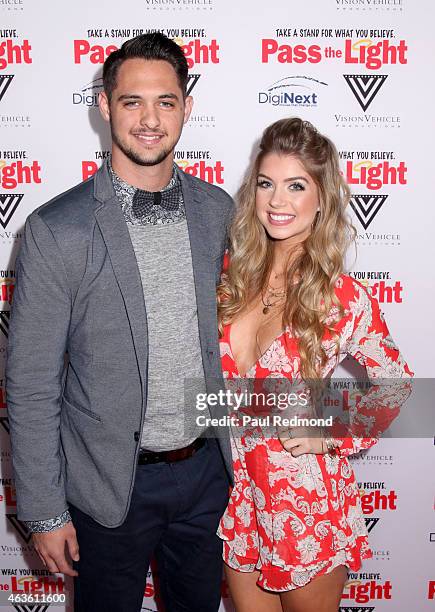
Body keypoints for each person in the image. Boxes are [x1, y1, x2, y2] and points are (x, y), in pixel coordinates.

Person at [6, 32, 233, 612]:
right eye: (132, 101)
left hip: (209, 473)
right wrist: (43, 509)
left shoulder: (219, 212)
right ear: (105, 106)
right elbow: (31, 384)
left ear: (187, 107)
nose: (150, 119)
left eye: (166, 101)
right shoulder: (58, 230)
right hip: (107, 486)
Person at [216, 117, 412, 612]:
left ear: (322, 198)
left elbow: (397, 383)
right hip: (241, 499)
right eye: (267, 184)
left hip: (305, 505)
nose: (278, 201)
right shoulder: (231, 283)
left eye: (296, 186)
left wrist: (333, 429)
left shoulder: (339, 296)